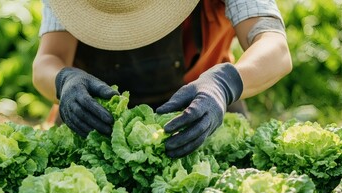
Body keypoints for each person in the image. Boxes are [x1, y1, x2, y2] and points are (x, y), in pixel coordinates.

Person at [32, 0, 292, 158]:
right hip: (94, 122)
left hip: (203, 112)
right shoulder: (66, 5)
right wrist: (64, 80)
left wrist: (224, 84)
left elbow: (274, 47)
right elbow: (49, 59)